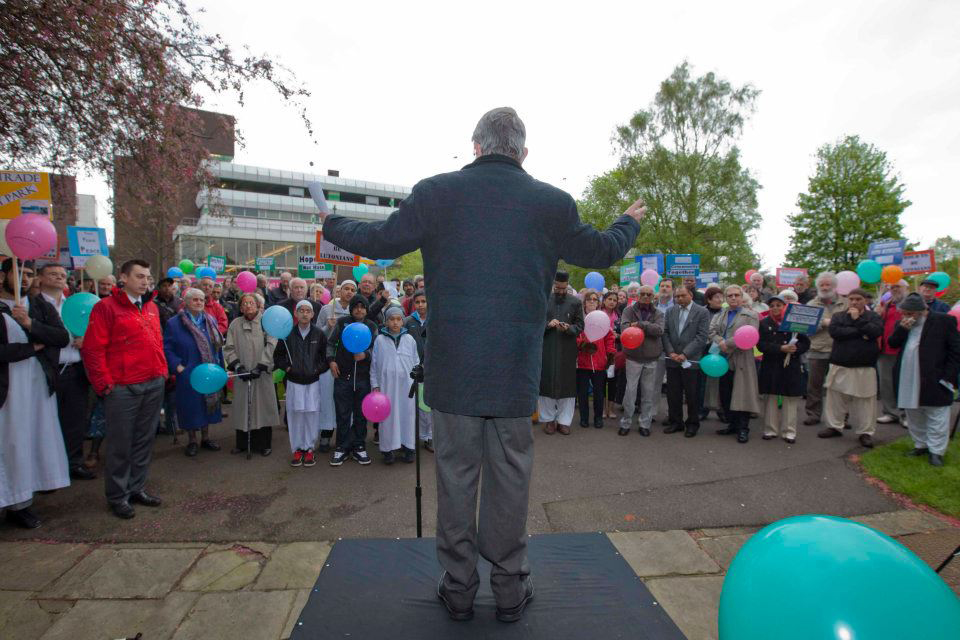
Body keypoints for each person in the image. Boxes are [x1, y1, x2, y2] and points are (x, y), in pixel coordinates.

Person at [316, 107, 642, 623]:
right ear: (523, 152)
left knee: (456, 478)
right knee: (511, 479)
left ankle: (460, 588)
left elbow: (378, 241)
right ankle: (510, 590)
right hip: (514, 372)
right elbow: (602, 250)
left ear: (475, 145)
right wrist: (629, 221)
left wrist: (331, 221)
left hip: (454, 370)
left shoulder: (437, 192)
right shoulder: (551, 202)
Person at [82, 259, 167, 519]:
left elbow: (157, 342)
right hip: (122, 388)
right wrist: (105, 385)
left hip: (153, 383)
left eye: (148, 277)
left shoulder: (151, 306)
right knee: (120, 444)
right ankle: (117, 496)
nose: (145, 281)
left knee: (144, 440)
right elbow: (93, 350)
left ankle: (136, 487)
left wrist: (162, 372)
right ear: (124, 278)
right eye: (140, 276)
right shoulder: (106, 308)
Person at [0, 259, 71, 528]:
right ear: (4, 276)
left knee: (28, 441)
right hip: (7, 388)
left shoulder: (38, 306)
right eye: (19, 274)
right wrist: (33, 348)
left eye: (29, 274)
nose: (25, 280)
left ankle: (21, 503)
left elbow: (61, 337)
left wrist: (30, 324)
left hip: (36, 384)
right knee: (9, 443)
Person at [37, 264, 95, 481]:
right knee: (47, 421)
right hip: (49, 370)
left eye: (62, 275)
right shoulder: (34, 305)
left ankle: (73, 463)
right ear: (40, 278)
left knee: (75, 421)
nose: (59, 278)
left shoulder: (75, 304)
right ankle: (47, 470)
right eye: (53, 274)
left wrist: (85, 338)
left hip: (76, 369)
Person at [888, 293, 960, 467]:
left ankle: (936, 451)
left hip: (935, 376)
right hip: (908, 374)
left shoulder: (944, 321)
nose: (906, 316)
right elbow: (892, 343)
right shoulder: (902, 323)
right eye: (904, 313)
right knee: (914, 413)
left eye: (910, 313)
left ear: (922, 311)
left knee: (937, 414)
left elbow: (956, 351)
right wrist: (902, 329)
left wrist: (948, 377)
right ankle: (920, 445)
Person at [817, 288, 883, 447]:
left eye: (858, 299)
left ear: (865, 300)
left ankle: (865, 432)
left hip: (864, 366)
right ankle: (834, 426)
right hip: (841, 363)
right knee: (835, 398)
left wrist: (858, 320)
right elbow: (835, 332)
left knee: (865, 401)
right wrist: (861, 333)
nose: (854, 302)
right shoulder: (839, 316)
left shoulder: (873, 317)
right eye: (851, 299)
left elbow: (875, 332)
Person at [163, 288, 224, 456]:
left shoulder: (209, 320)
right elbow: (167, 348)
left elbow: (218, 347)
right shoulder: (175, 323)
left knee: (208, 405)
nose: (199, 303)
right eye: (195, 300)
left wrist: (219, 367)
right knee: (190, 406)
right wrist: (178, 367)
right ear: (186, 302)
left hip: (209, 371)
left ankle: (205, 438)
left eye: (202, 300)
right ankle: (192, 440)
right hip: (188, 372)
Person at [274, 300, 329, 467]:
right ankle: (298, 449)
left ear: (313, 314)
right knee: (296, 414)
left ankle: (309, 448)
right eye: (301, 311)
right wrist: (289, 369)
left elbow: (325, 358)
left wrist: (316, 370)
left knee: (311, 415)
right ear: (296, 314)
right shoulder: (287, 334)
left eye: (308, 311)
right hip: (294, 381)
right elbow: (279, 357)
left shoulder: (319, 334)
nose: (305, 314)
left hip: (312, 382)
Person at [224, 293, 279, 456]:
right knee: (243, 407)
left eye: (251, 302)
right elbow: (229, 347)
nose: (248, 306)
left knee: (262, 407)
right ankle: (241, 443)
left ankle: (264, 444)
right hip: (243, 373)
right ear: (240, 307)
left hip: (261, 373)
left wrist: (261, 366)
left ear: (258, 305)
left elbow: (272, 345)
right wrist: (237, 366)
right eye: (244, 303)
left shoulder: (266, 323)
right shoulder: (235, 324)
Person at [326, 296, 378, 466]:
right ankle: (341, 447)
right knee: (342, 413)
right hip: (343, 377)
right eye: (356, 307)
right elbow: (331, 343)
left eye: (363, 307)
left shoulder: (371, 326)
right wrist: (331, 360)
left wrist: (366, 354)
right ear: (351, 309)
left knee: (361, 415)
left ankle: (359, 446)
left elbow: (376, 348)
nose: (359, 310)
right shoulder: (342, 323)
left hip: (363, 379)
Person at [709, 285, 761, 443]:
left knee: (742, 394)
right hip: (723, 358)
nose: (733, 298)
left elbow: (750, 335)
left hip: (742, 358)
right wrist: (720, 342)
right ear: (726, 298)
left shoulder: (751, 315)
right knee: (726, 393)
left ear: (741, 296)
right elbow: (711, 330)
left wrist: (727, 343)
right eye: (729, 295)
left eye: (736, 295)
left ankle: (743, 428)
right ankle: (732, 424)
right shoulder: (721, 314)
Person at [757, 295, 810, 443]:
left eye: (778, 305)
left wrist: (796, 349)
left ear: (784, 306)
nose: (775, 308)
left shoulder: (794, 322)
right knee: (771, 398)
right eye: (772, 305)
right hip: (771, 365)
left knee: (790, 399)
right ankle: (770, 429)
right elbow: (761, 345)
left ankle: (789, 431)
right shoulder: (764, 323)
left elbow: (805, 343)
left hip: (791, 365)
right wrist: (780, 348)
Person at [371, 306, 420, 464]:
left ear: (403, 321)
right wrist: (375, 385)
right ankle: (388, 449)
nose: (395, 322)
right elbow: (375, 364)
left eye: (399, 319)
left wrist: (416, 380)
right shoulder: (380, 339)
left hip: (407, 386)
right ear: (386, 321)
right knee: (388, 416)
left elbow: (416, 361)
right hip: (387, 386)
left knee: (407, 415)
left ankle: (408, 447)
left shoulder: (409, 339)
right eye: (392, 319)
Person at [539, 271, 584, 435]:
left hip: (567, 349)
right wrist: (548, 324)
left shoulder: (575, 302)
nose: (561, 291)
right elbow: (537, 323)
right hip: (548, 348)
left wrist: (569, 328)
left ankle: (564, 421)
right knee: (546, 385)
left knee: (567, 386)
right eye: (558, 288)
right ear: (553, 285)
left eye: (564, 289)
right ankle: (549, 420)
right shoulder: (544, 299)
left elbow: (580, 326)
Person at [662, 285, 710, 437]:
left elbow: (702, 337)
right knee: (673, 394)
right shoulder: (670, 311)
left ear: (690, 295)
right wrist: (670, 352)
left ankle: (692, 424)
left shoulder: (702, 312)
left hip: (691, 361)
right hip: (672, 359)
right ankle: (676, 422)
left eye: (683, 296)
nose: (679, 299)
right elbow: (665, 333)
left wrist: (685, 354)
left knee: (692, 395)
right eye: (677, 297)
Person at [618, 284, 664, 436]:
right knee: (630, 391)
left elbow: (659, 330)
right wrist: (646, 327)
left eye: (649, 294)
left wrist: (640, 325)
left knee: (648, 393)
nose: (645, 296)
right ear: (637, 296)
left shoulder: (658, 312)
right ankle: (625, 422)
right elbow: (624, 329)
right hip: (633, 357)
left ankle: (645, 423)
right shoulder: (628, 310)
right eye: (643, 294)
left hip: (651, 357)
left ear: (653, 297)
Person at [803, 272, 847, 425]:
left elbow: (851, 324)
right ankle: (813, 414)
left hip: (840, 349)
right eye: (822, 285)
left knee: (840, 386)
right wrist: (823, 323)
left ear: (834, 286)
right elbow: (807, 329)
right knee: (814, 385)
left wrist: (832, 323)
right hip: (817, 349)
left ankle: (840, 416)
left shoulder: (846, 303)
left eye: (828, 284)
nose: (825, 287)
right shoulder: (811, 305)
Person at [575, 290, 615, 429]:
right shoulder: (579, 318)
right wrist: (582, 344)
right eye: (589, 299)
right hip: (582, 363)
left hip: (599, 363)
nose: (592, 301)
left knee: (599, 393)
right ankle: (584, 418)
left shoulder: (602, 318)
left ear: (598, 303)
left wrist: (610, 354)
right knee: (583, 393)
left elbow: (609, 338)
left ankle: (598, 418)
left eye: (595, 299)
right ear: (584, 302)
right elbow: (575, 335)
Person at [877, 279, 908, 426]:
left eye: (898, 287)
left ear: (905, 288)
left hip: (904, 350)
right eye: (892, 287)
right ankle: (890, 412)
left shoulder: (911, 304)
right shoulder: (886, 304)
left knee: (904, 383)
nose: (895, 289)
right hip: (885, 349)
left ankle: (906, 414)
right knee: (886, 383)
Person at [404, 289, 432, 451]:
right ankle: (411, 437)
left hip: (431, 368)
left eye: (423, 301)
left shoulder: (434, 319)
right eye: (417, 302)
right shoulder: (408, 321)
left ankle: (428, 436)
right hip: (413, 368)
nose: (420, 305)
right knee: (412, 404)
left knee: (427, 406)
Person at [699, 286, 726, 422]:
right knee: (703, 382)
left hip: (721, 349)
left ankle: (721, 409)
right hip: (704, 349)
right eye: (716, 297)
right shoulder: (701, 312)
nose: (720, 299)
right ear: (709, 299)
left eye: (721, 296)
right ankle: (702, 409)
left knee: (720, 381)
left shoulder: (726, 312)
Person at [600, 290, 622, 419]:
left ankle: (611, 409)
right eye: (610, 299)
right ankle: (603, 408)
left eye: (615, 300)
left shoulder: (619, 316)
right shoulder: (598, 314)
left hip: (615, 352)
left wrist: (617, 335)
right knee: (602, 381)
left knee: (613, 381)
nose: (612, 302)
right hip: (601, 352)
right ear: (604, 301)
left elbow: (623, 334)